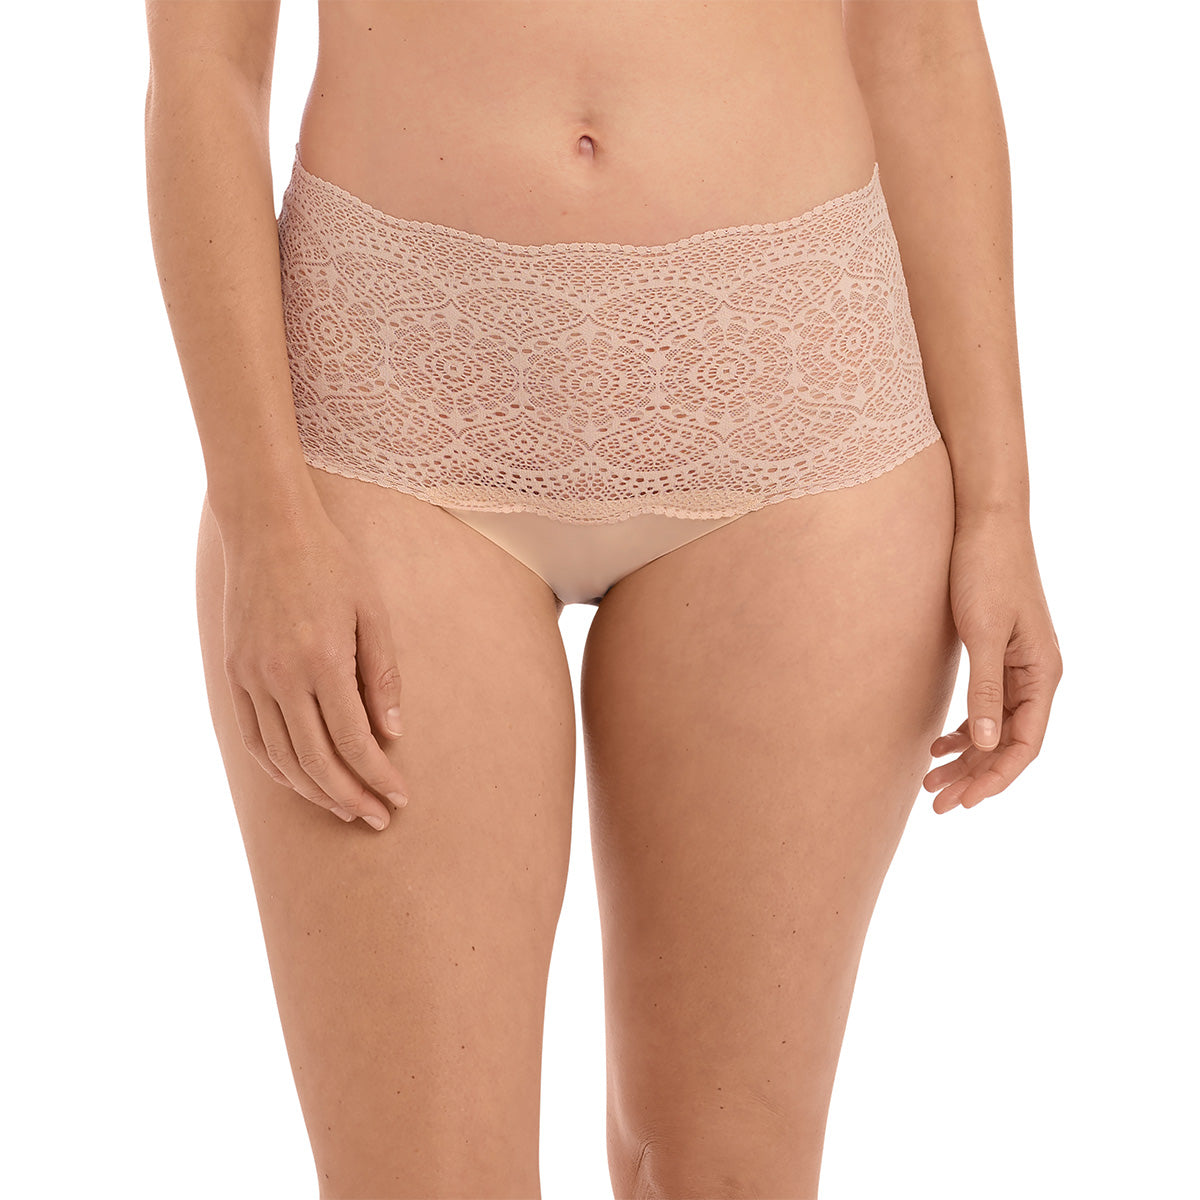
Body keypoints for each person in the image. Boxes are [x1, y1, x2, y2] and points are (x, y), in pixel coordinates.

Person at [144, 1, 1063, 1196]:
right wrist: (264, 520)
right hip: (387, 411)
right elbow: (204, 67)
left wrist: (1000, 506)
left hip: (797, 406)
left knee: (729, 1170)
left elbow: (921, 44)